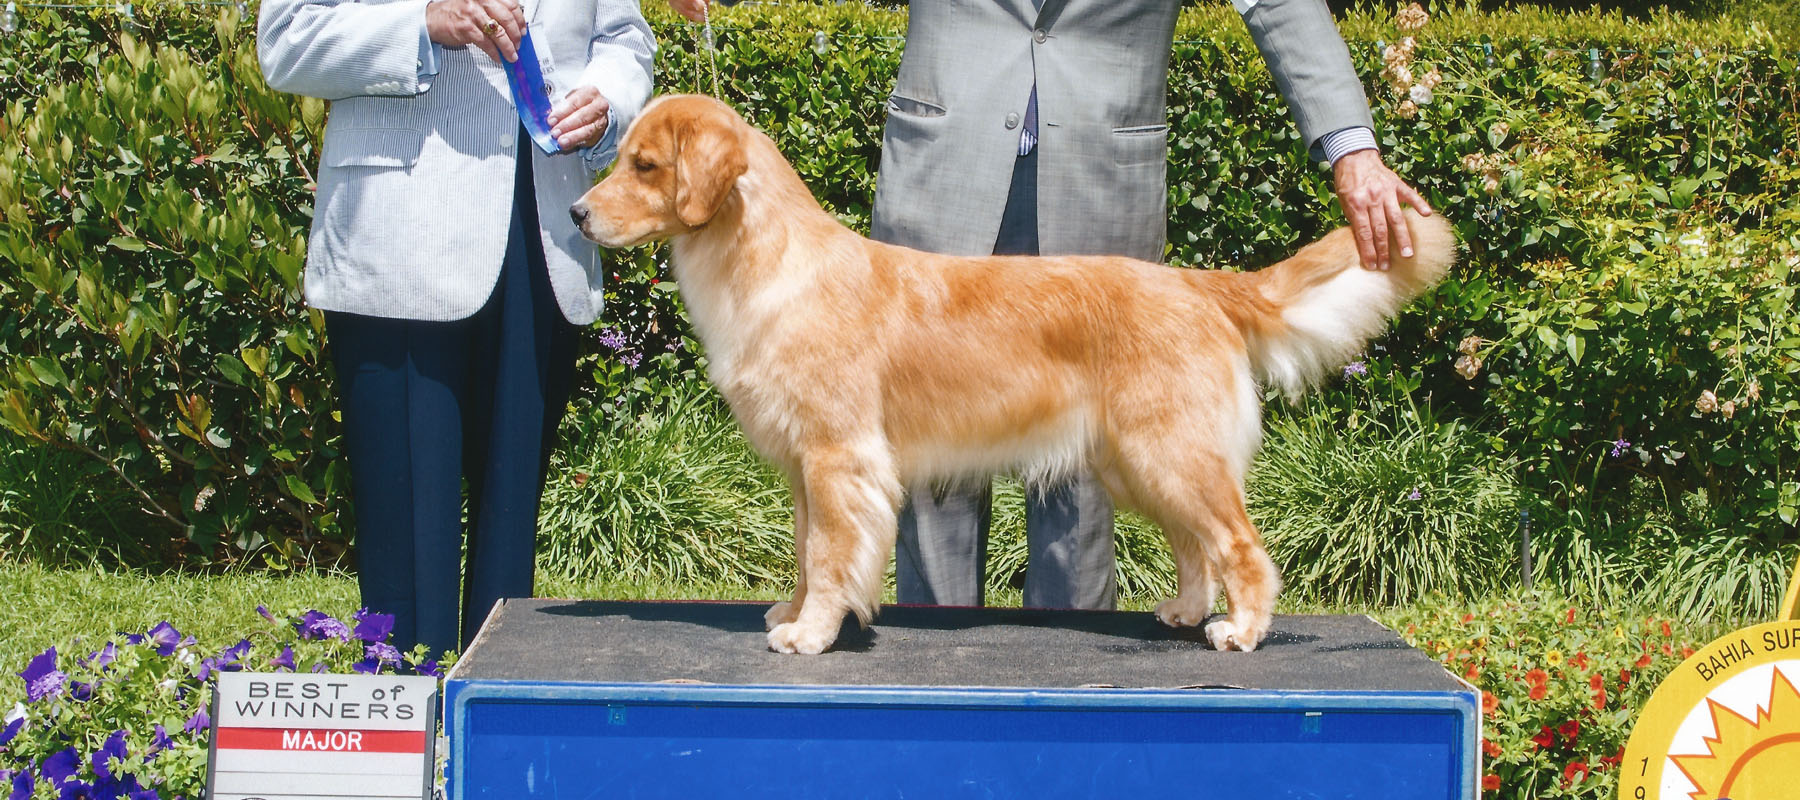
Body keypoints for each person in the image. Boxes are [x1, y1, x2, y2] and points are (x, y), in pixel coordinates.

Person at [869, 0, 1434, 611]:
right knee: (925, 446)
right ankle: (931, 683)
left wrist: (1352, 149)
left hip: (1099, 179)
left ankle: (1075, 685)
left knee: (1090, 470)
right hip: (943, 168)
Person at [258, 0, 654, 655]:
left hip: (544, 243)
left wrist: (607, 102)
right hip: (400, 242)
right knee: (407, 552)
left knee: (510, 549)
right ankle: (406, 731)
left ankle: (491, 728)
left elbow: (623, 39)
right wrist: (421, 23)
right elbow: (287, 38)